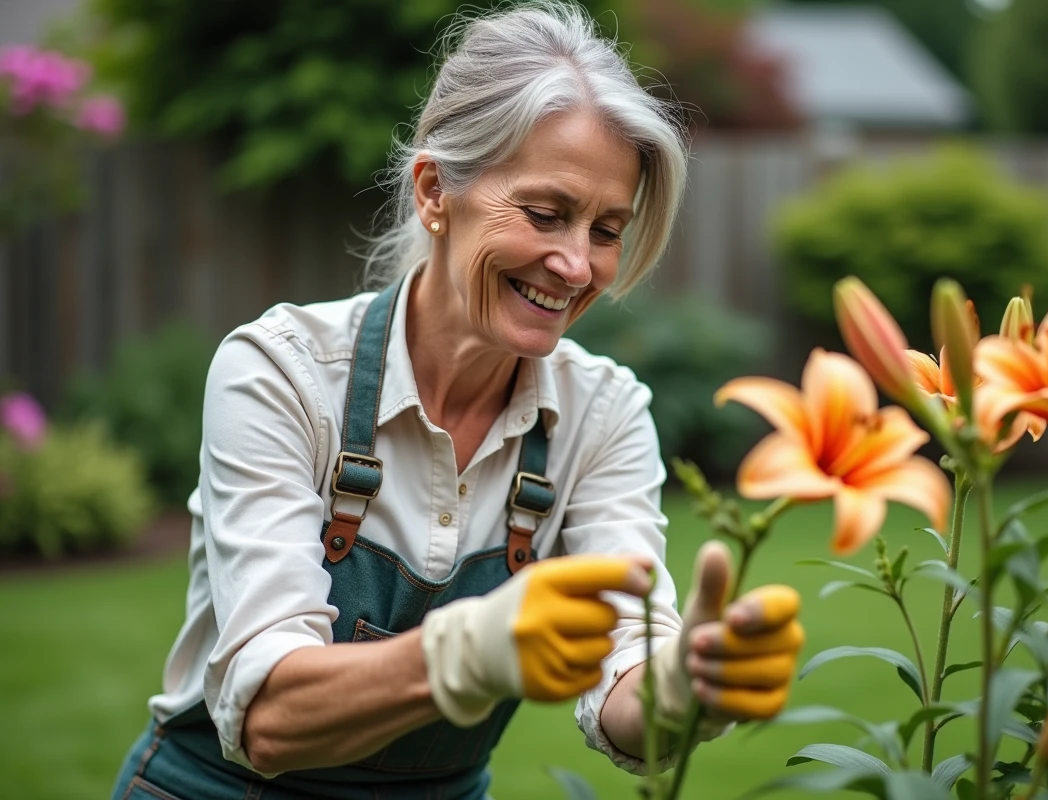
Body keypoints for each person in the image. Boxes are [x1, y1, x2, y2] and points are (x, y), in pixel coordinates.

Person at [110, 3, 804, 798]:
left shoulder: (603, 416)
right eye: (546, 214)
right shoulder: (282, 374)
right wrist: (466, 652)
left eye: (607, 230)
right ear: (436, 191)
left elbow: (627, 679)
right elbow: (266, 720)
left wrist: (685, 686)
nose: (577, 265)